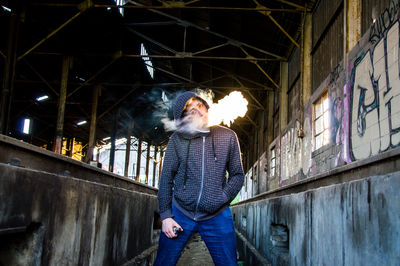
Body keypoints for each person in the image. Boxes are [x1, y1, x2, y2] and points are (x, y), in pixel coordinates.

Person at [154, 91, 245, 266]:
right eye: (190, 108)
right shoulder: (177, 140)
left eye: (200, 105)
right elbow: (166, 179)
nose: (196, 109)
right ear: (182, 116)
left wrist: (222, 197)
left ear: (207, 108)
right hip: (181, 213)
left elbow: (237, 176)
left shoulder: (228, 136)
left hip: (217, 215)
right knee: (163, 262)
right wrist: (166, 216)